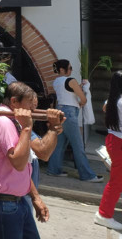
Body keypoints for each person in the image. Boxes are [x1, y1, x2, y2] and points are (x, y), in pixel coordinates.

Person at [0, 82, 47, 239]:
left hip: (17, 201)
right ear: (14, 102)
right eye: (29, 104)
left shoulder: (15, 120)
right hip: (4, 203)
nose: (32, 109)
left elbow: (27, 165)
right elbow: (18, 163)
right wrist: (27, 128)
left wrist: (35, 197)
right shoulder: (4, 122)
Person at [46, 59, 102, 182]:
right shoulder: (71, 81)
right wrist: (82, 98)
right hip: (69, 114)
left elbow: (67, 92)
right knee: (78, 146)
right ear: (62, 69)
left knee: (59, 144)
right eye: (70, 68)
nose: (71, 70)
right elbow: (83, 98)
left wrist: (78, 88)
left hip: (59, 111)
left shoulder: (56, 81)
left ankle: (53, 169)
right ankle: (87, 175)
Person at [95, 70, 122, 230]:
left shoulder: (112, 99)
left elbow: (106, 108)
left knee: (117, 180)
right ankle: (104, 214)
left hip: (113, 140)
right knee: (116, 182)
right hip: (119, 142)